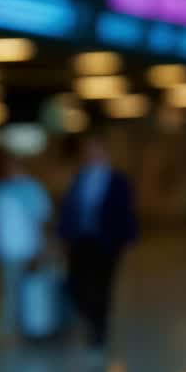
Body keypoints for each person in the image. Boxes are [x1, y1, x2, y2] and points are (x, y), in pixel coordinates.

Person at [58, 132, 138, 350]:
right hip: (82, 239)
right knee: (77, 283)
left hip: (107, 241)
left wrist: (130, 237)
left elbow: (126, 211)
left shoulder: (118, 180)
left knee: (102, 286)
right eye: (89, 151)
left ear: (104, 153)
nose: (93, 155)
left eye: (97, 150)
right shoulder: (80, 177)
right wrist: (63, 235)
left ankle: (99, 329)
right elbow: (69, 208)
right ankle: (88, 314)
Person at [0, 150, 52, 344]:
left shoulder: (32, 189)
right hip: (8, 249)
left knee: (26, 289)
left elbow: (42, 220)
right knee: (12, 289)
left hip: (29, 248)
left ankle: (26, 325)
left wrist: (44, 245)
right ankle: (10, 328)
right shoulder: (0, 190)